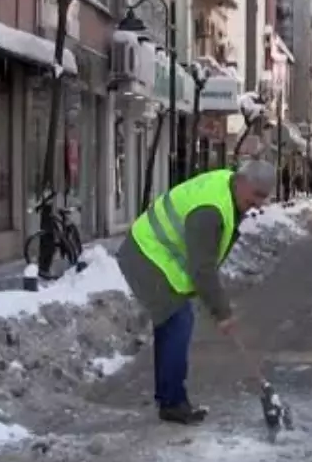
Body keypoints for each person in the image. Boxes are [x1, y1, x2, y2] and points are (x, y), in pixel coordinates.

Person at [117, 160, 276, 424]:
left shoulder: (228, 189)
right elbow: (202, 269)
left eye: (264, 197)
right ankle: (172, 403)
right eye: (256, 194)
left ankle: (168, 397)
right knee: (178, 321)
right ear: (241, 181)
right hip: (147, 255)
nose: (259, 203)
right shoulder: (211, 209)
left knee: (172, 323)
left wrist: (215, 304)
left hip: (157, 255)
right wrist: (222, 312)